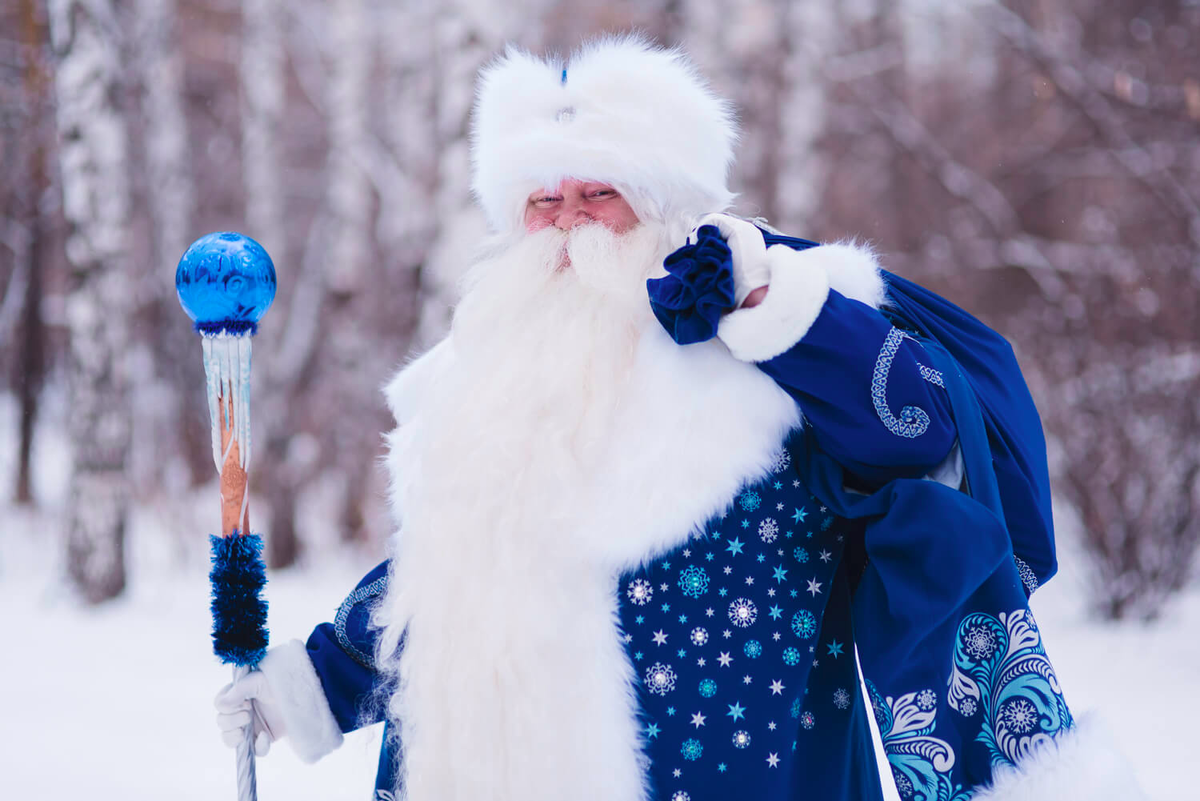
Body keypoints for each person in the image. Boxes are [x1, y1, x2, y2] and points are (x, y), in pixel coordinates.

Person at [214, 36, 1140, 801]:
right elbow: (444, 576)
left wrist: (780, 314)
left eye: (598, 194)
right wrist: (317, 684)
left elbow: (918, 433)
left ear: (660, 203)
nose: (569, 224)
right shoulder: (476, 379)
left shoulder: (770, 342)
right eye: (545, 198)